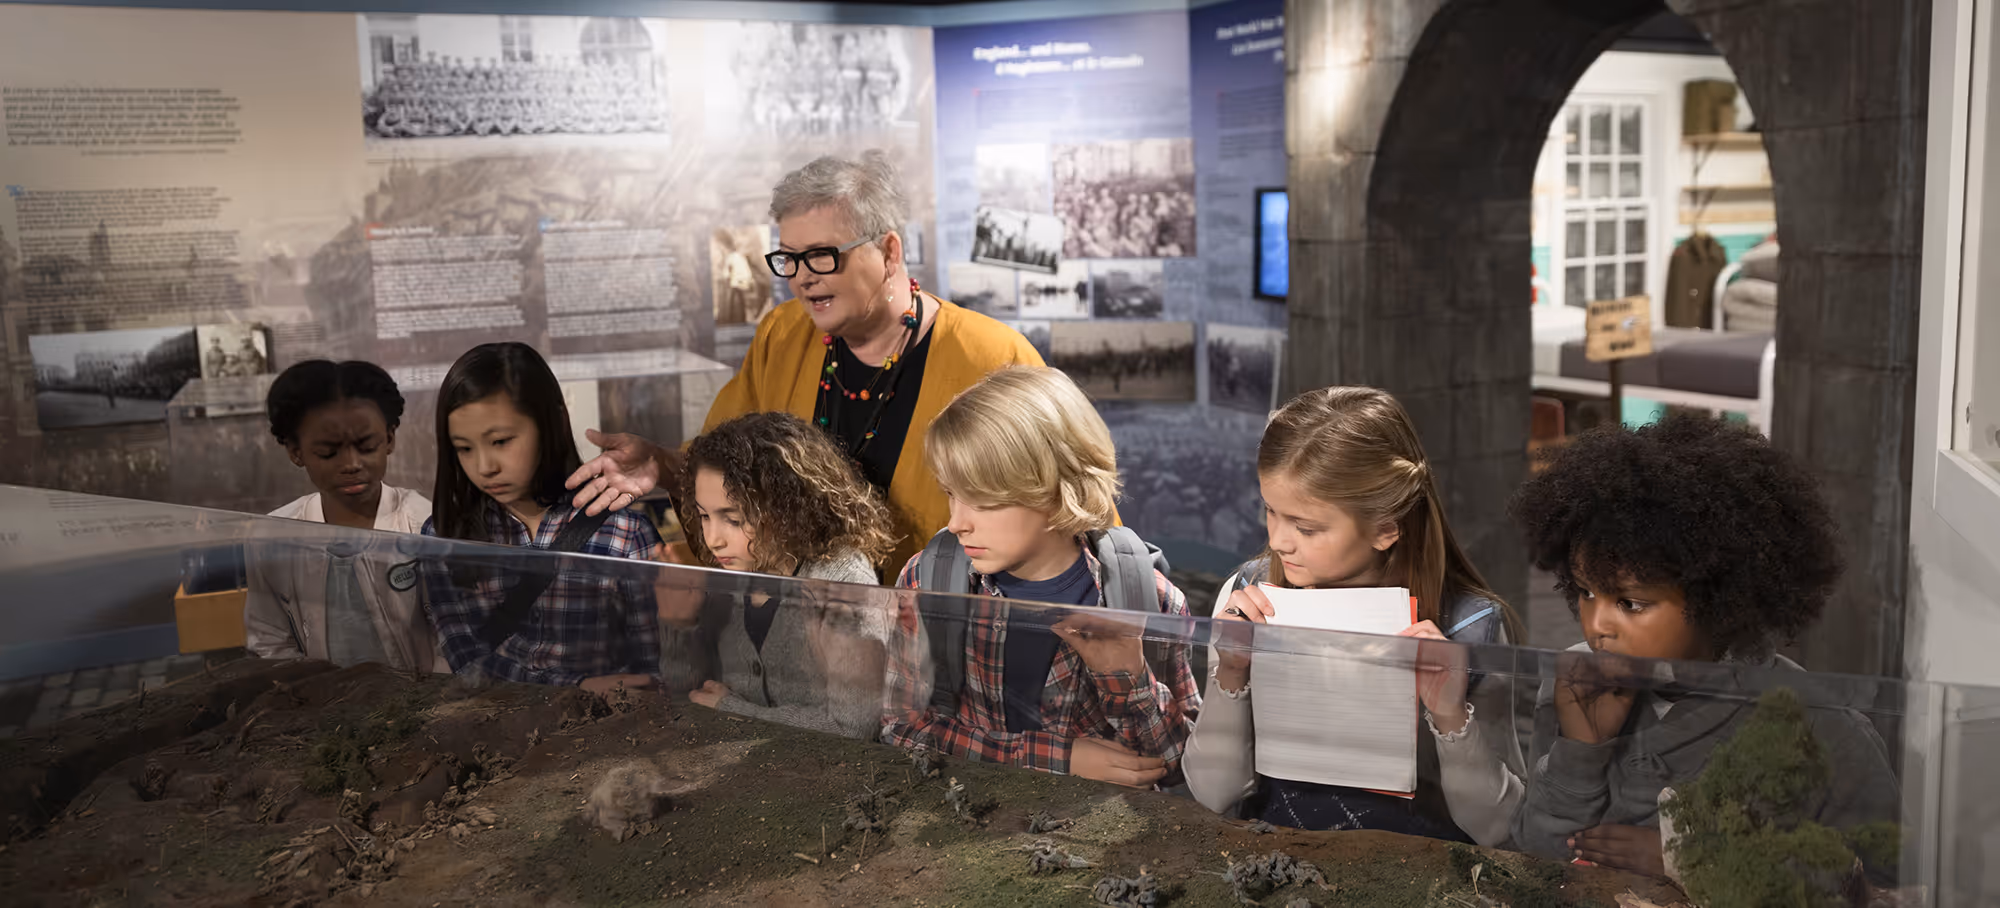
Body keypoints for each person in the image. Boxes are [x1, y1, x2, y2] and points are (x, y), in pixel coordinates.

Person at [566, 152, 1044, 580]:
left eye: (821, 256)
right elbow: (729, 467)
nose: (802, 278)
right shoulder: (782, 333)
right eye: (789, 260)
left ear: (890, 251)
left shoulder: (994, 356)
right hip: (803, 629)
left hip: (948, 630)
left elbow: (1067, 516)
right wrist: (665, 464)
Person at [1509, 412, 1899, 876]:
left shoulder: (1822, 729)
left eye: (1630, 603)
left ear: (1717, 597)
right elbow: (1537, 863)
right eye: (1585, 592)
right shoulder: (1574, 686)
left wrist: (1692, 863)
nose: (1598, 626)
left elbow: (1884, 884)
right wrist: (1579, 752)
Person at [1182, 387, 1527, 846]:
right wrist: (1230, 674)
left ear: (1385, 528)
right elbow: (1212, 793)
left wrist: (1449, 716)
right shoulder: (1247, 597)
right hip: (1274, 865)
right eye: (1270, 510)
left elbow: (1499, 826)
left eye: (1307, 527)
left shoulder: (1471, 626)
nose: (1280, 541)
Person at [881, 367, 1200, 788]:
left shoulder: (1148, 599)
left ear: (1055, 487)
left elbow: (1181, 764)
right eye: (951, 493)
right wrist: (1054, 759)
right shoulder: (928, 579)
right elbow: (899, 728)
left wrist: (1128, 678)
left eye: (982, 500)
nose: (956, 522)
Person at [421, 342, 661, 694]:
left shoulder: (623, 534)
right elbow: (465, 659)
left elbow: (653, 666)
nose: (485, 467)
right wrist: (576, 686)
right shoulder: (445, 534)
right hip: (498, 724)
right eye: (464, 448)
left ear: (552, 422)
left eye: (501, 441)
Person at [659, 412, 896, 738]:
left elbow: (855, 728)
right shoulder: (731, 571)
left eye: (733, 518)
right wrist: (679, 628)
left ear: (786, 509)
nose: (714, 539)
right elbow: (689, 696)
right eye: (704, 516)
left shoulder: (843, 583)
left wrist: (735, 711)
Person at [246, 360, 445, 672]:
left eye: (366, 446)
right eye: (328, 452)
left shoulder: (425, 525)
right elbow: (269, 640)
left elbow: (450, 639)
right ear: (295, 452)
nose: (351, 463)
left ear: (390, 438)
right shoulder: (272, 538)